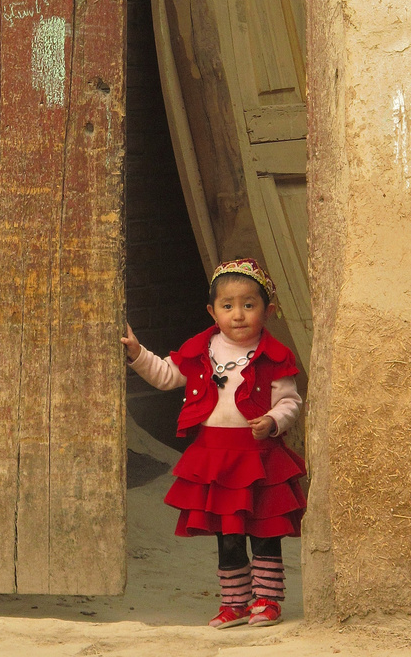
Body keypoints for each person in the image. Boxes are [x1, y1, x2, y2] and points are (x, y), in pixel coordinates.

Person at [122, 257, 306, 629]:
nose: (238, 315)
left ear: (267, 311)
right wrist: (138, 354)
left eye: (249, 305)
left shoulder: (275, 356)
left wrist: (273, 420)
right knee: (228, 534)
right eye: (228, 306)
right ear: (212, 311)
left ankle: (267, 601)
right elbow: (165, 375)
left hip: (259, 457)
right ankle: (235, 603)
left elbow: (291, 401)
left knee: (265, 530)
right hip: (216, 459)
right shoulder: (200, 350)